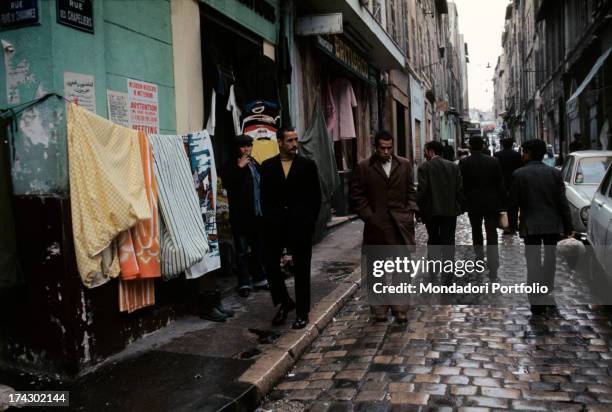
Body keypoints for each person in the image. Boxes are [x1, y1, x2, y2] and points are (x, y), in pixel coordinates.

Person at [350, 130, 418, 323]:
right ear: (376, 147)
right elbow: (356, 196)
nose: (386, 151)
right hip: (376, 226)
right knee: (376, 270)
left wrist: (409, 211)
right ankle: (379, 308)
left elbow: (410, 192)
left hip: (400, 226)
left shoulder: (403, 164)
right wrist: (369, 216)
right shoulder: (364, 167)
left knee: (401, 270)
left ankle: (400, 307)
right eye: (382, 148)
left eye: (389, 148)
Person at [261, 127, 321, 329]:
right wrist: (269, 222)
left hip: (300, 226)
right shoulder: (268, 166)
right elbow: (265, 199)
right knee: (270, 266)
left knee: (302, 271)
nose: (295, 144)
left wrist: (310, 223)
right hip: (275, 226)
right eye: (290, 141)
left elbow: (315, 197)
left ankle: (303, 313)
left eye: (296, 140)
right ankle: (285, 302)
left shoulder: (307, 165)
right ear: (279, 142)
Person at [508, 139, 574, 316]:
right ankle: (547, 293)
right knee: (550, 260)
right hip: (552, 224)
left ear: (529, 153)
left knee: (533, 261)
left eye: (524, 152)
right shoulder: (554, 173)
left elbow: (513, 204)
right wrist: (568, 227)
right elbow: (562, 202)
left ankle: (536, 299)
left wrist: (512, 226)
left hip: (530, 225)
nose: (522, 155)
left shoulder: (519, 174)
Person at [221, 134, 269, 298]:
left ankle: (259, 279)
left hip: (256, 214)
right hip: (241, 216)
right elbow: (229, 184)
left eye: (248, 146)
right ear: (236, 148)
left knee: (257, 248)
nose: (246, 149)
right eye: (243, 146)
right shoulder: (231, 165)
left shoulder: (254, 163)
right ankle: (244, 283)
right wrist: (239, 168)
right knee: (241, 251)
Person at [460, 136, 507, 279]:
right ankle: (493, 264)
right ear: (483, 145)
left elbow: (462, 185)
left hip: (473, 203)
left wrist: (463, 202)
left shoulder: (464, 162)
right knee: (491, 233)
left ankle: (479, 258)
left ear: (470, 146)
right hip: (491, 203)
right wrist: (503, 203)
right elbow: (500, 183)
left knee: (476, 232)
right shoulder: (493, 161)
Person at [417, 141, 464, 264]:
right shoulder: (453, 166)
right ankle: (448, 270)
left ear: (431, 151)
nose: (424, 153)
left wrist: (419, 211)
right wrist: (458, 207)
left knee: (433, 239)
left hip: (431, 211)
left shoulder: (424, 167)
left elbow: (422, 191)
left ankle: (434, 267)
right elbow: (459, 190)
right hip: (449, 211)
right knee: (448, 241)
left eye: (425, 150)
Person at [494, 138, 523, 234]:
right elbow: (520, 168)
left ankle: (504, 225)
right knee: (514, 205)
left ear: (502, 144)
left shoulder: (497, 155)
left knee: (502, 206)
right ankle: (513, 225)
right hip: (514, 182)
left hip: (501, 183)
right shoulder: (517, 155)